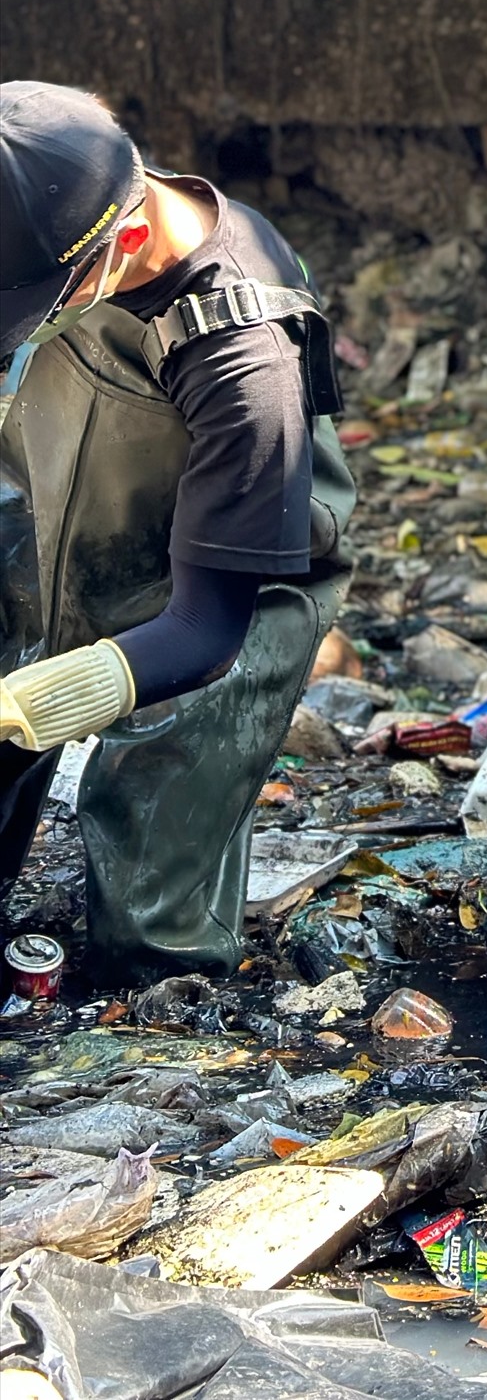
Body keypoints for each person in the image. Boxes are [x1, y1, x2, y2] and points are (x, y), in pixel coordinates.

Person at [0, 83, 355, 982]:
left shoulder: (245, 359)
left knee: (151, 911)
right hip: (52, 503)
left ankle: (151, 1004)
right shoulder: (40, 180)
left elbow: (204, 633)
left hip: (215, 582)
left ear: (120, 245)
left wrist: (25, 706)